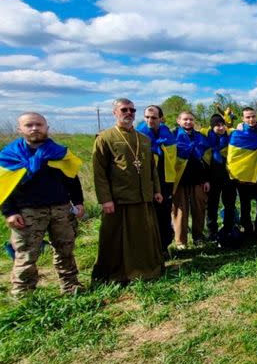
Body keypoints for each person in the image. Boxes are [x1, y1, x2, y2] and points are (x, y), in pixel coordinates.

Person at [1, 112, 84, 296]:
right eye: (29, 125)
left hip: (61, 209)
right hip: (27, 212)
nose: (34, 128)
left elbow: (72, 179)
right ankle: (24, 294)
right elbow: (3, 186)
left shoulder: (59, 153)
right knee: (26, 254)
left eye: (39, 124)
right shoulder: (9, 156)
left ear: (47, 128)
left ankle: (70, 285)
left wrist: (78, 202)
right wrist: (9, 211)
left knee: (66, 249)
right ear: (19, 129)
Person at [92, 98, 163, 284]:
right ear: (115, 112)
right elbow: (99, 172)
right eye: (124, 109)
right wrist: (105, 199)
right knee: (117, 239)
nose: (129, 113)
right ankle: (117, 274)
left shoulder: (144, 139)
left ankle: (147, 270)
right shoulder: (105, 138)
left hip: (143, 196)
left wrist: (156, 190)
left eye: (132, 110)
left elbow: (151, 167)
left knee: (144, 236)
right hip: (119, 199)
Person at [137, 105, 176, 256]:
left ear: (161, 118)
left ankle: (164, 247)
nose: (150, 120)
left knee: (164, 215)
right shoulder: (139, 136)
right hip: (147, 183)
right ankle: (148, 250)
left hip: (165, 181)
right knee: (147, 217)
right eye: (147, 117)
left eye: (153, 117)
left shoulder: (168, 135)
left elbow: (174, 160)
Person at [227, 107, 257, 238]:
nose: (251, 119)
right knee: (245, 206)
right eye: (248, 117)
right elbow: (233, 157)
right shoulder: (237, 134)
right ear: (242, 119)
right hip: (243, 178)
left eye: (253, 116)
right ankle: (248, 230)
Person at [172, 111, 211, 248]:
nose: (188, 122)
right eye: (185, 119)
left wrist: (206, 180)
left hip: (198, 180)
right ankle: (180, 242)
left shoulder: (200, 137)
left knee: (199, 210)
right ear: (178, 121)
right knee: (180, 211)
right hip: (180, 180)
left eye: (191, 119)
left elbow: (206, 160)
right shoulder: (173, 136)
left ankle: (198, 237)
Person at [206, 114, 237, 242]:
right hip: (213, 178)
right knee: (212, 206)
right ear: (212, 127)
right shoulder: (206, 139)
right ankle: (212, 231)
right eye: (217, 125)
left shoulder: (231, 137)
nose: (220, 127)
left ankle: (228, 228)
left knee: (230, 204)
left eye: (222, 125)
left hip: (229, 178)